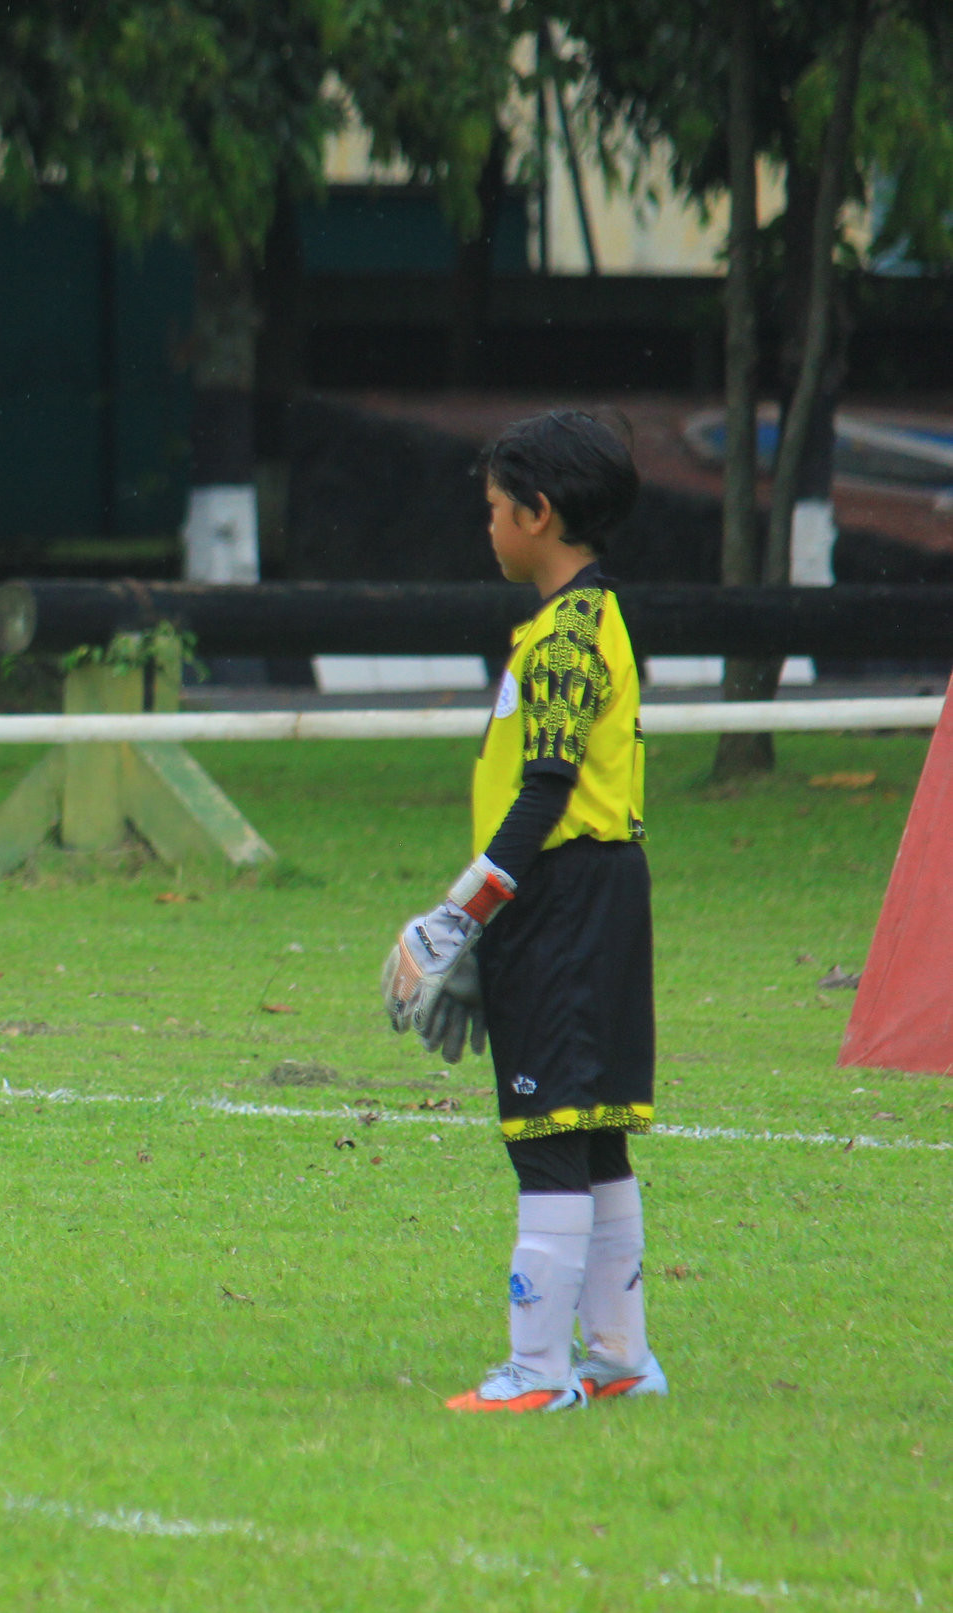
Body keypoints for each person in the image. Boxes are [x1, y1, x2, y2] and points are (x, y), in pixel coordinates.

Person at [382, 409, 665, 1412]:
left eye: (496, 509)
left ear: (539, 515)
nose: (489, 525)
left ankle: (539, 1371)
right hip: (596, 892)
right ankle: (619, 1355)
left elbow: (543, 792)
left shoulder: (565, 638)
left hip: (564, 894)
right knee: (592, 1130)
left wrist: (454, 916)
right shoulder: (579, 623)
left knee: (544, 1129)